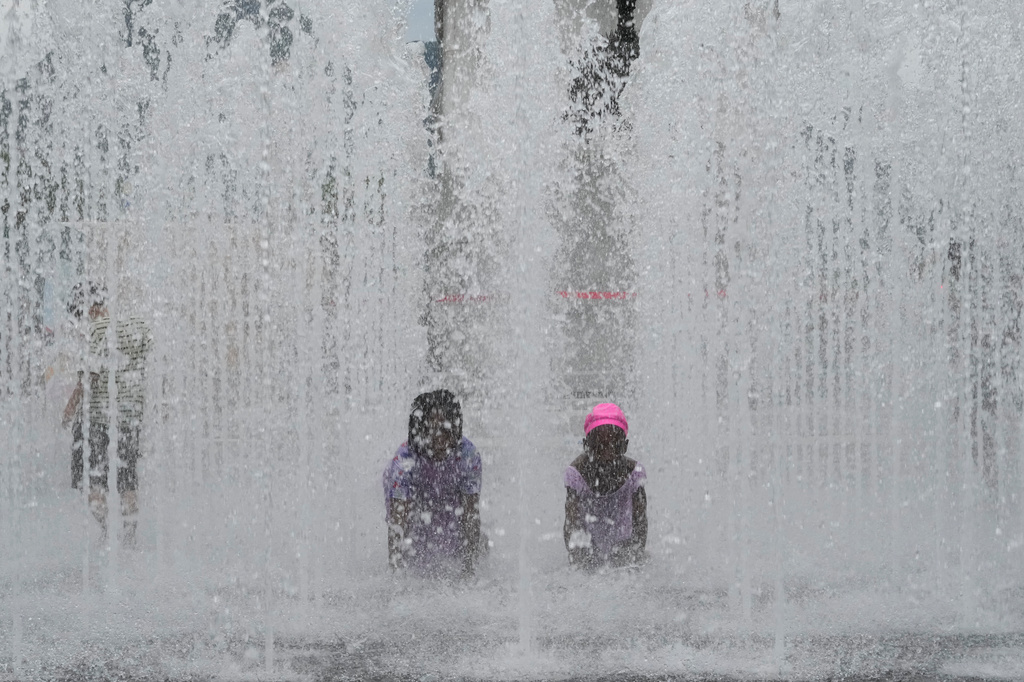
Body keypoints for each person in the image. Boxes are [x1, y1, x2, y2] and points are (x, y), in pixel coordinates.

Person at [62, 282, 152, 547]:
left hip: (97, 420)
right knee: (127, 481)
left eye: (79, 314)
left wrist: (69, 411)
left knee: (92, 482)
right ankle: (129, 536)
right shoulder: (138, 325)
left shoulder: (96, 330)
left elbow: (89, 377)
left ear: (89, 307)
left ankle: (106, 531)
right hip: (129, 417)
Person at [382, 390, 483, 577]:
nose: (438, 439)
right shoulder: (405, 460)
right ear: (419, 429)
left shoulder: (467, 456)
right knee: (415, 548)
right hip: (414, 499)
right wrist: (395, 574)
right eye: (431, 430)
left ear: (456, 428)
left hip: (449, 497)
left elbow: (470, 515)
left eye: (445, 431)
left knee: (466, 543)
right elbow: (397, 522)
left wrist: (469, 570)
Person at [563, 403, 647, 570]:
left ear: (624, 446)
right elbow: (571, 526)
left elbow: (641, 525)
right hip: (588, 547)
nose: (606, 453)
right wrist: (581, 558)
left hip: (623, 546)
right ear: (587, 445)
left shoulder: (634, 473)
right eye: (599, 446)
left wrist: (633, 553)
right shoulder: (577, 473)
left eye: (613, 445)